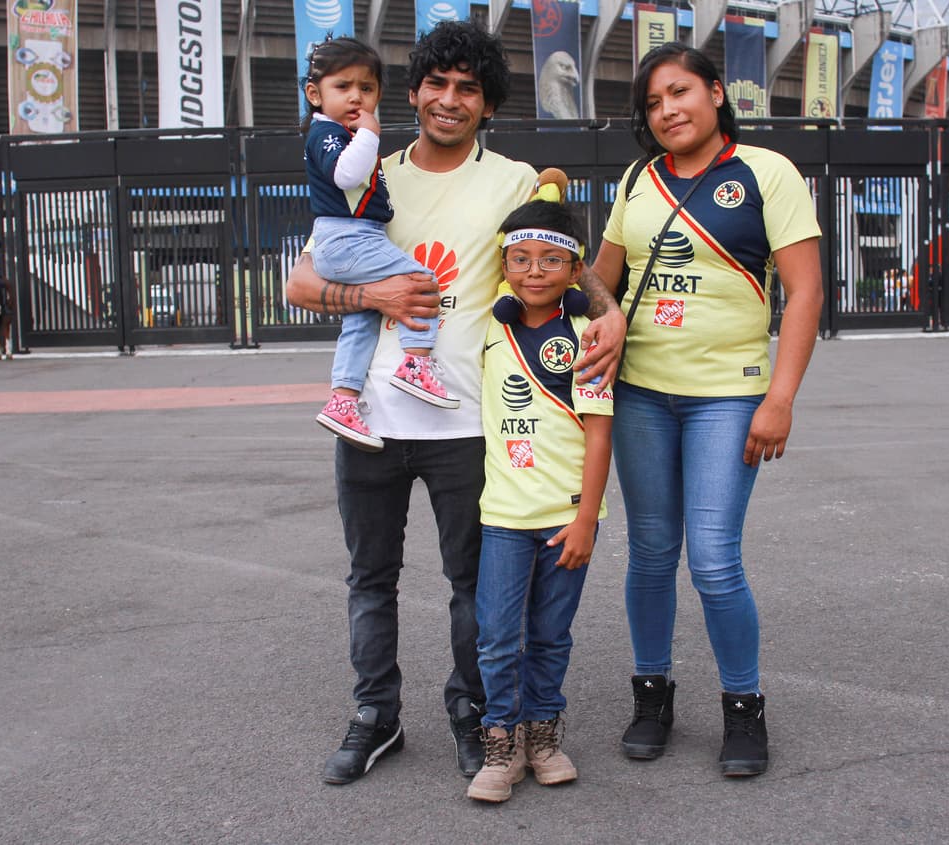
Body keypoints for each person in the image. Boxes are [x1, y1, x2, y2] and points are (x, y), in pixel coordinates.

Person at [284, 20, 625, 787]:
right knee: (370, 579)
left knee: (473, 588)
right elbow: (300, 282)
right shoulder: (366, 168)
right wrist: (373, 295)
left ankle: (477, 714)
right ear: (410, 94)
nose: (449, 99)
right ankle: (376, 714)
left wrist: (610, 311)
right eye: (436, 84)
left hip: (468, 422)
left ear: (488, 104)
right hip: (370, 417)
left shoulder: (511, 180)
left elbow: (563, 255)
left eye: (467, 88)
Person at [590, 43, 823, 778]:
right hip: (639, 395)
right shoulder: (638, 178)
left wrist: (780, 398)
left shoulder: (766, 172)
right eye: (653, 102)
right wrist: (599, 310)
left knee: (716, 561)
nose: (668, 110)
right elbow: (599, 280)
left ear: (717, 93)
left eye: (680, 92)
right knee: (651, 552)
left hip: (729, 395)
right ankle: (651, 696)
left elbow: (806, 292)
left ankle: (743, 706)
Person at [467, 198, 613, 803]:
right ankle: (501, 743)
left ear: (577, 269)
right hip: (503, 517)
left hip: (566, 519)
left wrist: (586, 520)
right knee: (498, 638)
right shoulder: (487, 325)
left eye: (551, 260)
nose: (534, 271)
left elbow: (600, 433)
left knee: (551, 635)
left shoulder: (590, 335)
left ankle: (543, 736)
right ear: (502, 265)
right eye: (520, 259)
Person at [300, 37, 458, 453]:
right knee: (420, 280)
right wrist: (369, 134)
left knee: (361, 319)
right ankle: (416, 362)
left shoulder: (338, 133)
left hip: (350, 236)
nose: (356, 97)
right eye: (343, 87)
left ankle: (343, 400)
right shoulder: (328, 133)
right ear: (314, 94)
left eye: (367, 88)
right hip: (349, 236)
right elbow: (346, 175)